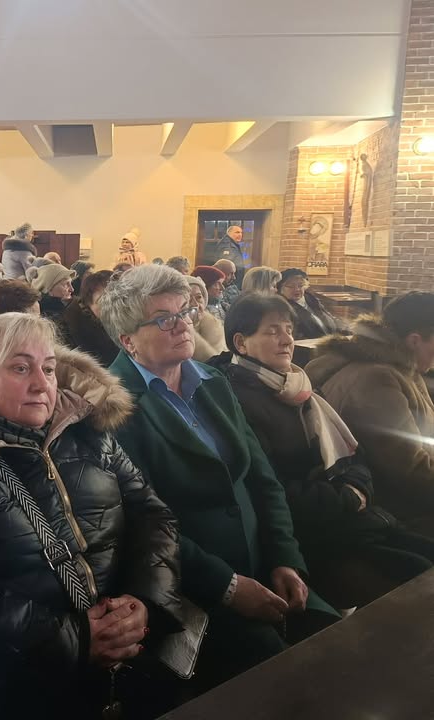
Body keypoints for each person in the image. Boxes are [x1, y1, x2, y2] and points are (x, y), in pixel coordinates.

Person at [0, 312, 183, 720]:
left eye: (48, 368)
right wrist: (74, 638)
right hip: (15, 680)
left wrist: (144, 601)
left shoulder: (88, 432)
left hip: (129, 655)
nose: (41, 383)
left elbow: (153, 515)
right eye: (20, 368)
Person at [100, 264, 336, 689]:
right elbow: (140, 522)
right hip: (191, 590)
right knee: (291, 680)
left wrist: (284, 556)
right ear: (128, 340)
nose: (183, 325)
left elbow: (262, 479)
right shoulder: (113, 407)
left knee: (338, 644)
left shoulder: (212, 380)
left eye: (185, 311)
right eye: (164, 319)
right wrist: (227, 586)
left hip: (262, 562)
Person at [216, 292, 434, 608]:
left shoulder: (298, 386)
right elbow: (271, 489)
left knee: (424, 562)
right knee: (418, 579)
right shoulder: (237, 401)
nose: (287, 340)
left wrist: (357, 486)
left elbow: (353, 452)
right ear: (241, 343)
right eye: (273, 331)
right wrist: (347, 497)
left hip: (352, 515)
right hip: (314, 534)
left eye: (289, 329)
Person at [306, 292, 434, 535]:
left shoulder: (396, 365)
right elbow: (409, 471)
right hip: (395, 512)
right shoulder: (378, 379)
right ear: (414, 340)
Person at [60, 269, 120, 366]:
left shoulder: (129, 321)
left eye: (117, 298)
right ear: (88, 304)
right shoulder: (79, 329)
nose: (112, 304)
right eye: (103, 300)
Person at [276, 268, 341, 340]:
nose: (297, 289)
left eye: (300, 285)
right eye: (291, 286)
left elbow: (329, 317)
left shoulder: (310, 298)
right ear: (280, 288)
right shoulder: (282, 307)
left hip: (329, 340)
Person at [185, 275, 226, 362]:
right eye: (188, 299)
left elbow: (218, 364)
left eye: (199, 297)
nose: (195, 304)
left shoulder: (213, 325)